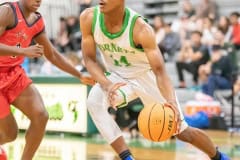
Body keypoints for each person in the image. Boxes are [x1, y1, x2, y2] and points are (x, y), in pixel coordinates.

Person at [80, 0, 229, 160]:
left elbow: (160, 72)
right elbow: (89, 59)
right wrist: (107, 85)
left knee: (182, 132)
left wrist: (171, 101)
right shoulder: (88, 18)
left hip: (147, 77)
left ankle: (219, 157)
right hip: (117, 78)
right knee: (94, 102)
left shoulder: (141, 29)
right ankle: (127, 157)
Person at [0, 0, 94, 159]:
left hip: (14, 74)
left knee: (40, 116)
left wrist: (78, 74)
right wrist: (23, 51)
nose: (38, 0)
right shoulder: (7, 12)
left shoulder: (36, 20)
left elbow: (52, 54)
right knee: (10, 133)